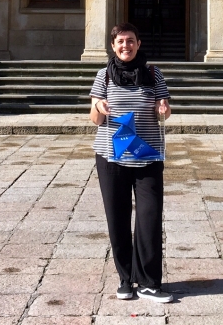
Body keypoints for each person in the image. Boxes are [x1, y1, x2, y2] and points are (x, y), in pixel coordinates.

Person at [90, 22, 173, 303]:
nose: (126, 46)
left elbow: (164, 111)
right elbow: (94, 119)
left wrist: (163, 109)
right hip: (112, 157)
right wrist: (99, 108)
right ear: (113, 46)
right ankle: (125, 279)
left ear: (138, 44)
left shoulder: (153, 73)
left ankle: (150, 282)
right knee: (118, 218)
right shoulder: (104, 76)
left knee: (149, 218)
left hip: (148, 156)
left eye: (131, 41)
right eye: (121, 41)